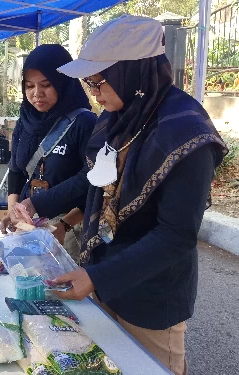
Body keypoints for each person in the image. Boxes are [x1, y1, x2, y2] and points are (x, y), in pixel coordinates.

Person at [33, 16, 225, 375]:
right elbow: (92, 178)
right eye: (88, 82)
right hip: (103, 276)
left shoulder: (185, 135)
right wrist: (35, 203)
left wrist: (98, 278)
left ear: (132, 73)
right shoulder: (119, 117)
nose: (93, 91)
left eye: (99, 80)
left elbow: (176, 236)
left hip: (151, 297)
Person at [0, 44, 97, 261]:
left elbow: (91, 180)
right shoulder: (26, 120)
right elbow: (15, 170)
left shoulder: (84, 122)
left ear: (63, 83)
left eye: (46, 85)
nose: (36, 94)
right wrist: (13, 211)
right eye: (29, 86)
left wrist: (65, 224)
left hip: (69, 227)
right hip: (30, 221)